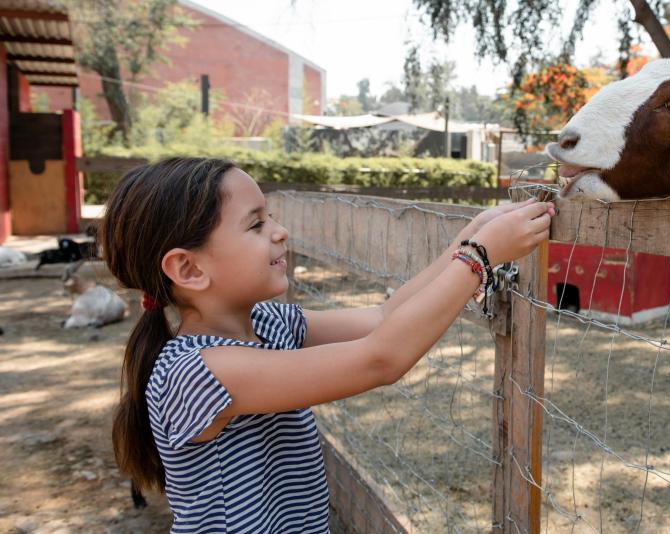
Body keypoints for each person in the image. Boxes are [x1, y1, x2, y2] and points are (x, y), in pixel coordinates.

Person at [100, 157, 554, 532]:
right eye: (256, 224)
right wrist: (478, 259)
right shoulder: (196, 372)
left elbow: (383, 317)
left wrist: (470, 236)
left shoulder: (269, 323)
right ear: (189, 269)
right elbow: (381, 358)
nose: (279, 231)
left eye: (270, 216)